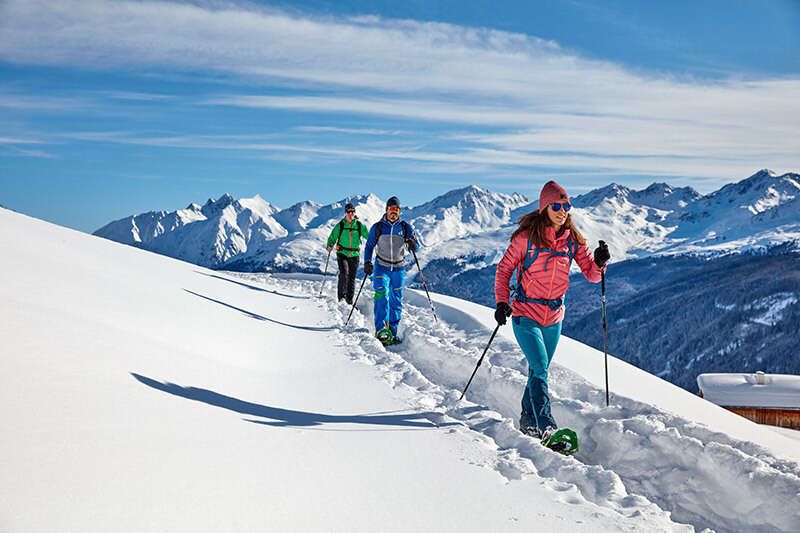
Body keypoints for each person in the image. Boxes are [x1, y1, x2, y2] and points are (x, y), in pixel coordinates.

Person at [494, 180, 610, 444]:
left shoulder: (572, 240)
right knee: (539, 369)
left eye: (566, 205)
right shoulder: (525, 238)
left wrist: (600, 262)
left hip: (554, 317)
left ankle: (528, 421)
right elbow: (503, 271)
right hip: (526, 314)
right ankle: (547, 427)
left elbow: (592, 275)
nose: (562, 210)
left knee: (539, 369)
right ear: (544, 207)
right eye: (556, 205)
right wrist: (502, 302)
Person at [363, 196, 418, 345]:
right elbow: (369, 247)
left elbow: (415, 246)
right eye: (391, 209)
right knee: (382, 295)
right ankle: (381, 330)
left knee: (396, 300)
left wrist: (413, 244)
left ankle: (392, 332)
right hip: (382, 267)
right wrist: (367, 262)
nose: (393, 212)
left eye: (396, 210)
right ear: (386, 210)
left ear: (399, 212)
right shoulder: (378, 227)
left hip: (399, 269)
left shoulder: (406, 228)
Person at [326, 202, 369, 304]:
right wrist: (330, 245)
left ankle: (349, 300)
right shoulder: (340, 225)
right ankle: (341, 298)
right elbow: (333, 236)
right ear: (345, 213)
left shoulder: (359, 226)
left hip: (354, 255)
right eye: (348, 212)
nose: (351, 214)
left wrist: (376, 240)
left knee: (352, 278)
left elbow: (368, 236)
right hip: (342, 253)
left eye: (352, 212)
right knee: (344, 273)